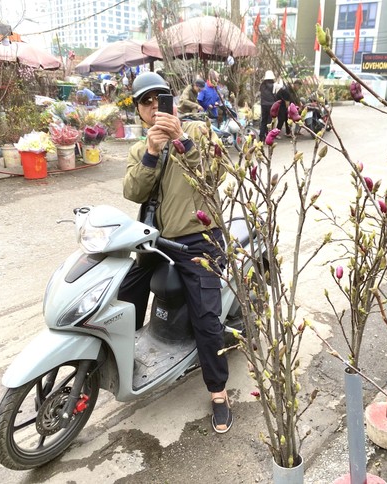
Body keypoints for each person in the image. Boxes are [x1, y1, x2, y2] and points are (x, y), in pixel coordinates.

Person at [120, 71, 233, 433]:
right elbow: (133, 192)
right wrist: (152, 152)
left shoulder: (198, 132)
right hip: (155, 239)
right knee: (125, 292)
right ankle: (129, 358)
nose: (155, 108)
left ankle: (218, 392)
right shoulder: (139, 148)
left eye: (160, 100)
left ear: (170, 101)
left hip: (198, 238)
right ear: (138, 110)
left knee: (207, 318)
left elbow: (217, 175)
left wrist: (182, 139)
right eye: (146, 103)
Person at [259, 70, 277, 141]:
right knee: (269, 121)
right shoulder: (274, 85)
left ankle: (261, 136)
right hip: (271, 105)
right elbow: (276, 95)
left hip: (263, 105)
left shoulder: (262, 85)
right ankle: (268, 136)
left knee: (263, 120)